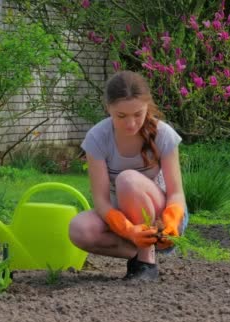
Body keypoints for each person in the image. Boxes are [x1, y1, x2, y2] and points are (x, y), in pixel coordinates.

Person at [69, 70, 188, 281]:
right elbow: (102, 203)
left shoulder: (164, 135)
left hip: (164, 217)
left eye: (138, 114)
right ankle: (138, 251)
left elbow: (176, 193)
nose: (131, 124)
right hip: (120, 214)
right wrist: (130, 230)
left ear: (147, 107)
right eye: (121, 116)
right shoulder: (97, 138)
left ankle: (146, 263)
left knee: (127, 180)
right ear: (108, 109)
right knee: (79, 229)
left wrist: (171, 221)